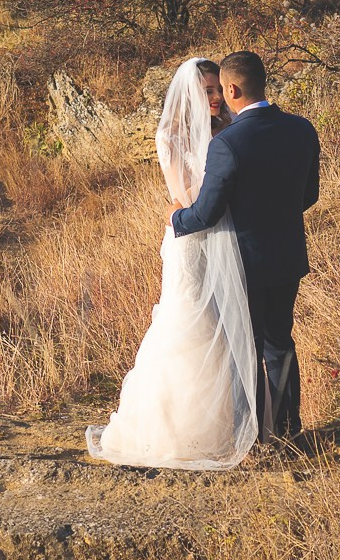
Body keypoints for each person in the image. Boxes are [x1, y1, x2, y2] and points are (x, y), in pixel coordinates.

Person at [86, 59, 260, 469]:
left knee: (223, 327)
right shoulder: (170, 136)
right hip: (190, 239)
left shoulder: (227, 129)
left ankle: (220, 427)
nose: (216, 98)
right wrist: (223, 185)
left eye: (218, 89)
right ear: (189, 94)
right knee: (189, 321)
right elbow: (188, 196)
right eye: (207, 91)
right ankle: (176, 431)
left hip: (224, 240)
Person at [168, 50, 320, 442]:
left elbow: (206, 212)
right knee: (279, 344)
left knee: (243, 350)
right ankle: (287, 433)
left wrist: (176, 219)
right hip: (287, 256)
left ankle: (249, 438)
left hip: (241, 263)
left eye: (221, 89)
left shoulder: (228, 143)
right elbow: (308, 196)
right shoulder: (302, 129)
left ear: (232, 89)